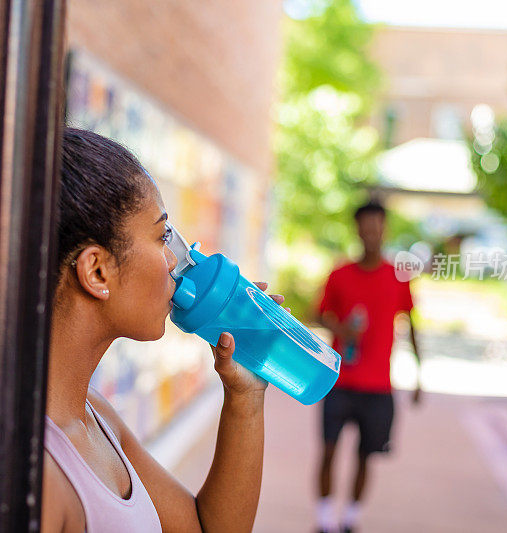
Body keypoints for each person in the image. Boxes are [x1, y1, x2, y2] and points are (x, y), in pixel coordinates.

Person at [42, 128, 283, 532]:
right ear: (97, 270)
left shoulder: (93, 414)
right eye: (160, 237)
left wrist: (245, 396)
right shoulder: (39, 472)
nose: (175, 261)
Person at [314, 200, 421, 533]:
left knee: (365, 457)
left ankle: (350, 520)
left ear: (384, 229)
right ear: (358, 230)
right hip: (338, 381)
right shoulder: (340, 274)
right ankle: (324, 521)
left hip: (378, 388)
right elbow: (319, 313)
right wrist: (341, 329)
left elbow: (412, 323)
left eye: (377, 225)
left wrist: (420, 375)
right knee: (328, 451)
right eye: (366, 226)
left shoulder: (398, 278)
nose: (372, 232)